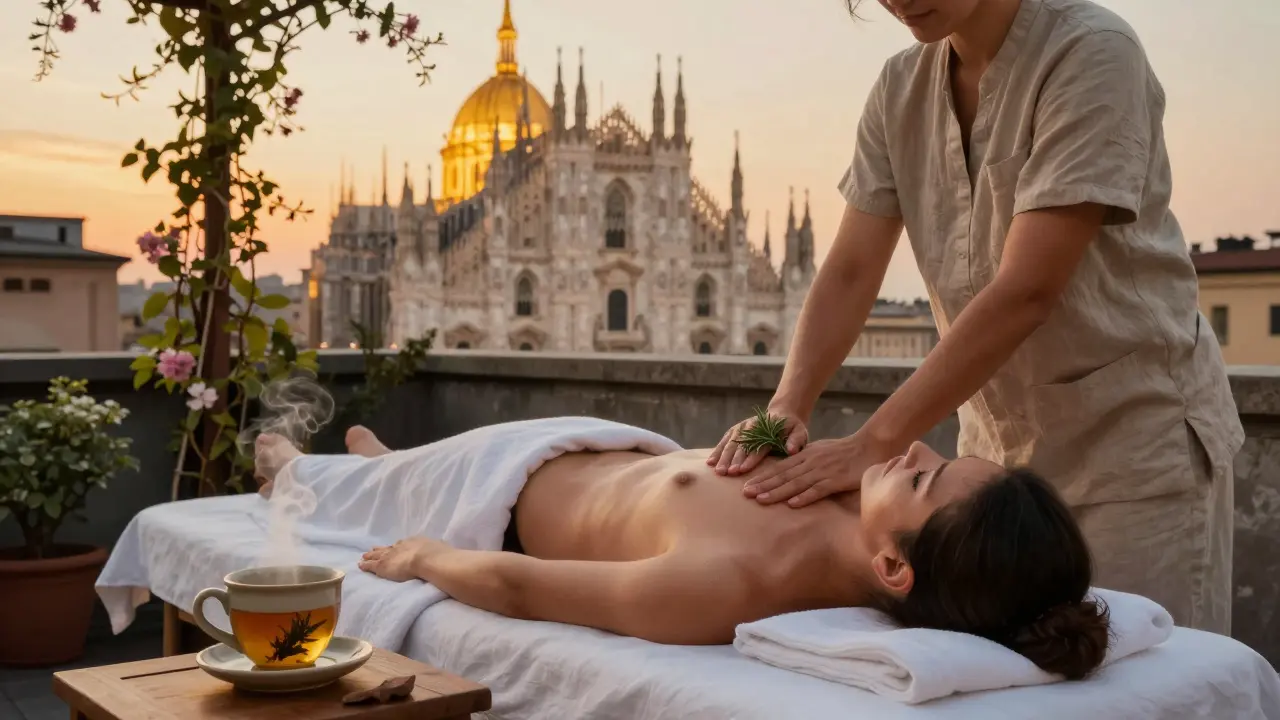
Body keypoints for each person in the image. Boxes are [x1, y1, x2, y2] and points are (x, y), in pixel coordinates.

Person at [707, 0, 1242, 636]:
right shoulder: (899, 88)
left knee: (1139, 685)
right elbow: (851, 270)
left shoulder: (1093, 52)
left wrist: (875, 444)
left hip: (1129, 452)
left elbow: (1027, 289)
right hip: (980, 473)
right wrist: (785, 407)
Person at [257, 424, 1111, 679]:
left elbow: (523, 588)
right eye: (939, 455)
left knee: (327, 485)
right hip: (594, 442)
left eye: (922, 482)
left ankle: (311, 469)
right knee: (393, 468)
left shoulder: (727, 588)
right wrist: (777, 429)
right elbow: (781, 428)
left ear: (896, 566)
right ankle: (383, 464)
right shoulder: (855, 495)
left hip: (498, 494)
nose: (911, 452)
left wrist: (427, 562)